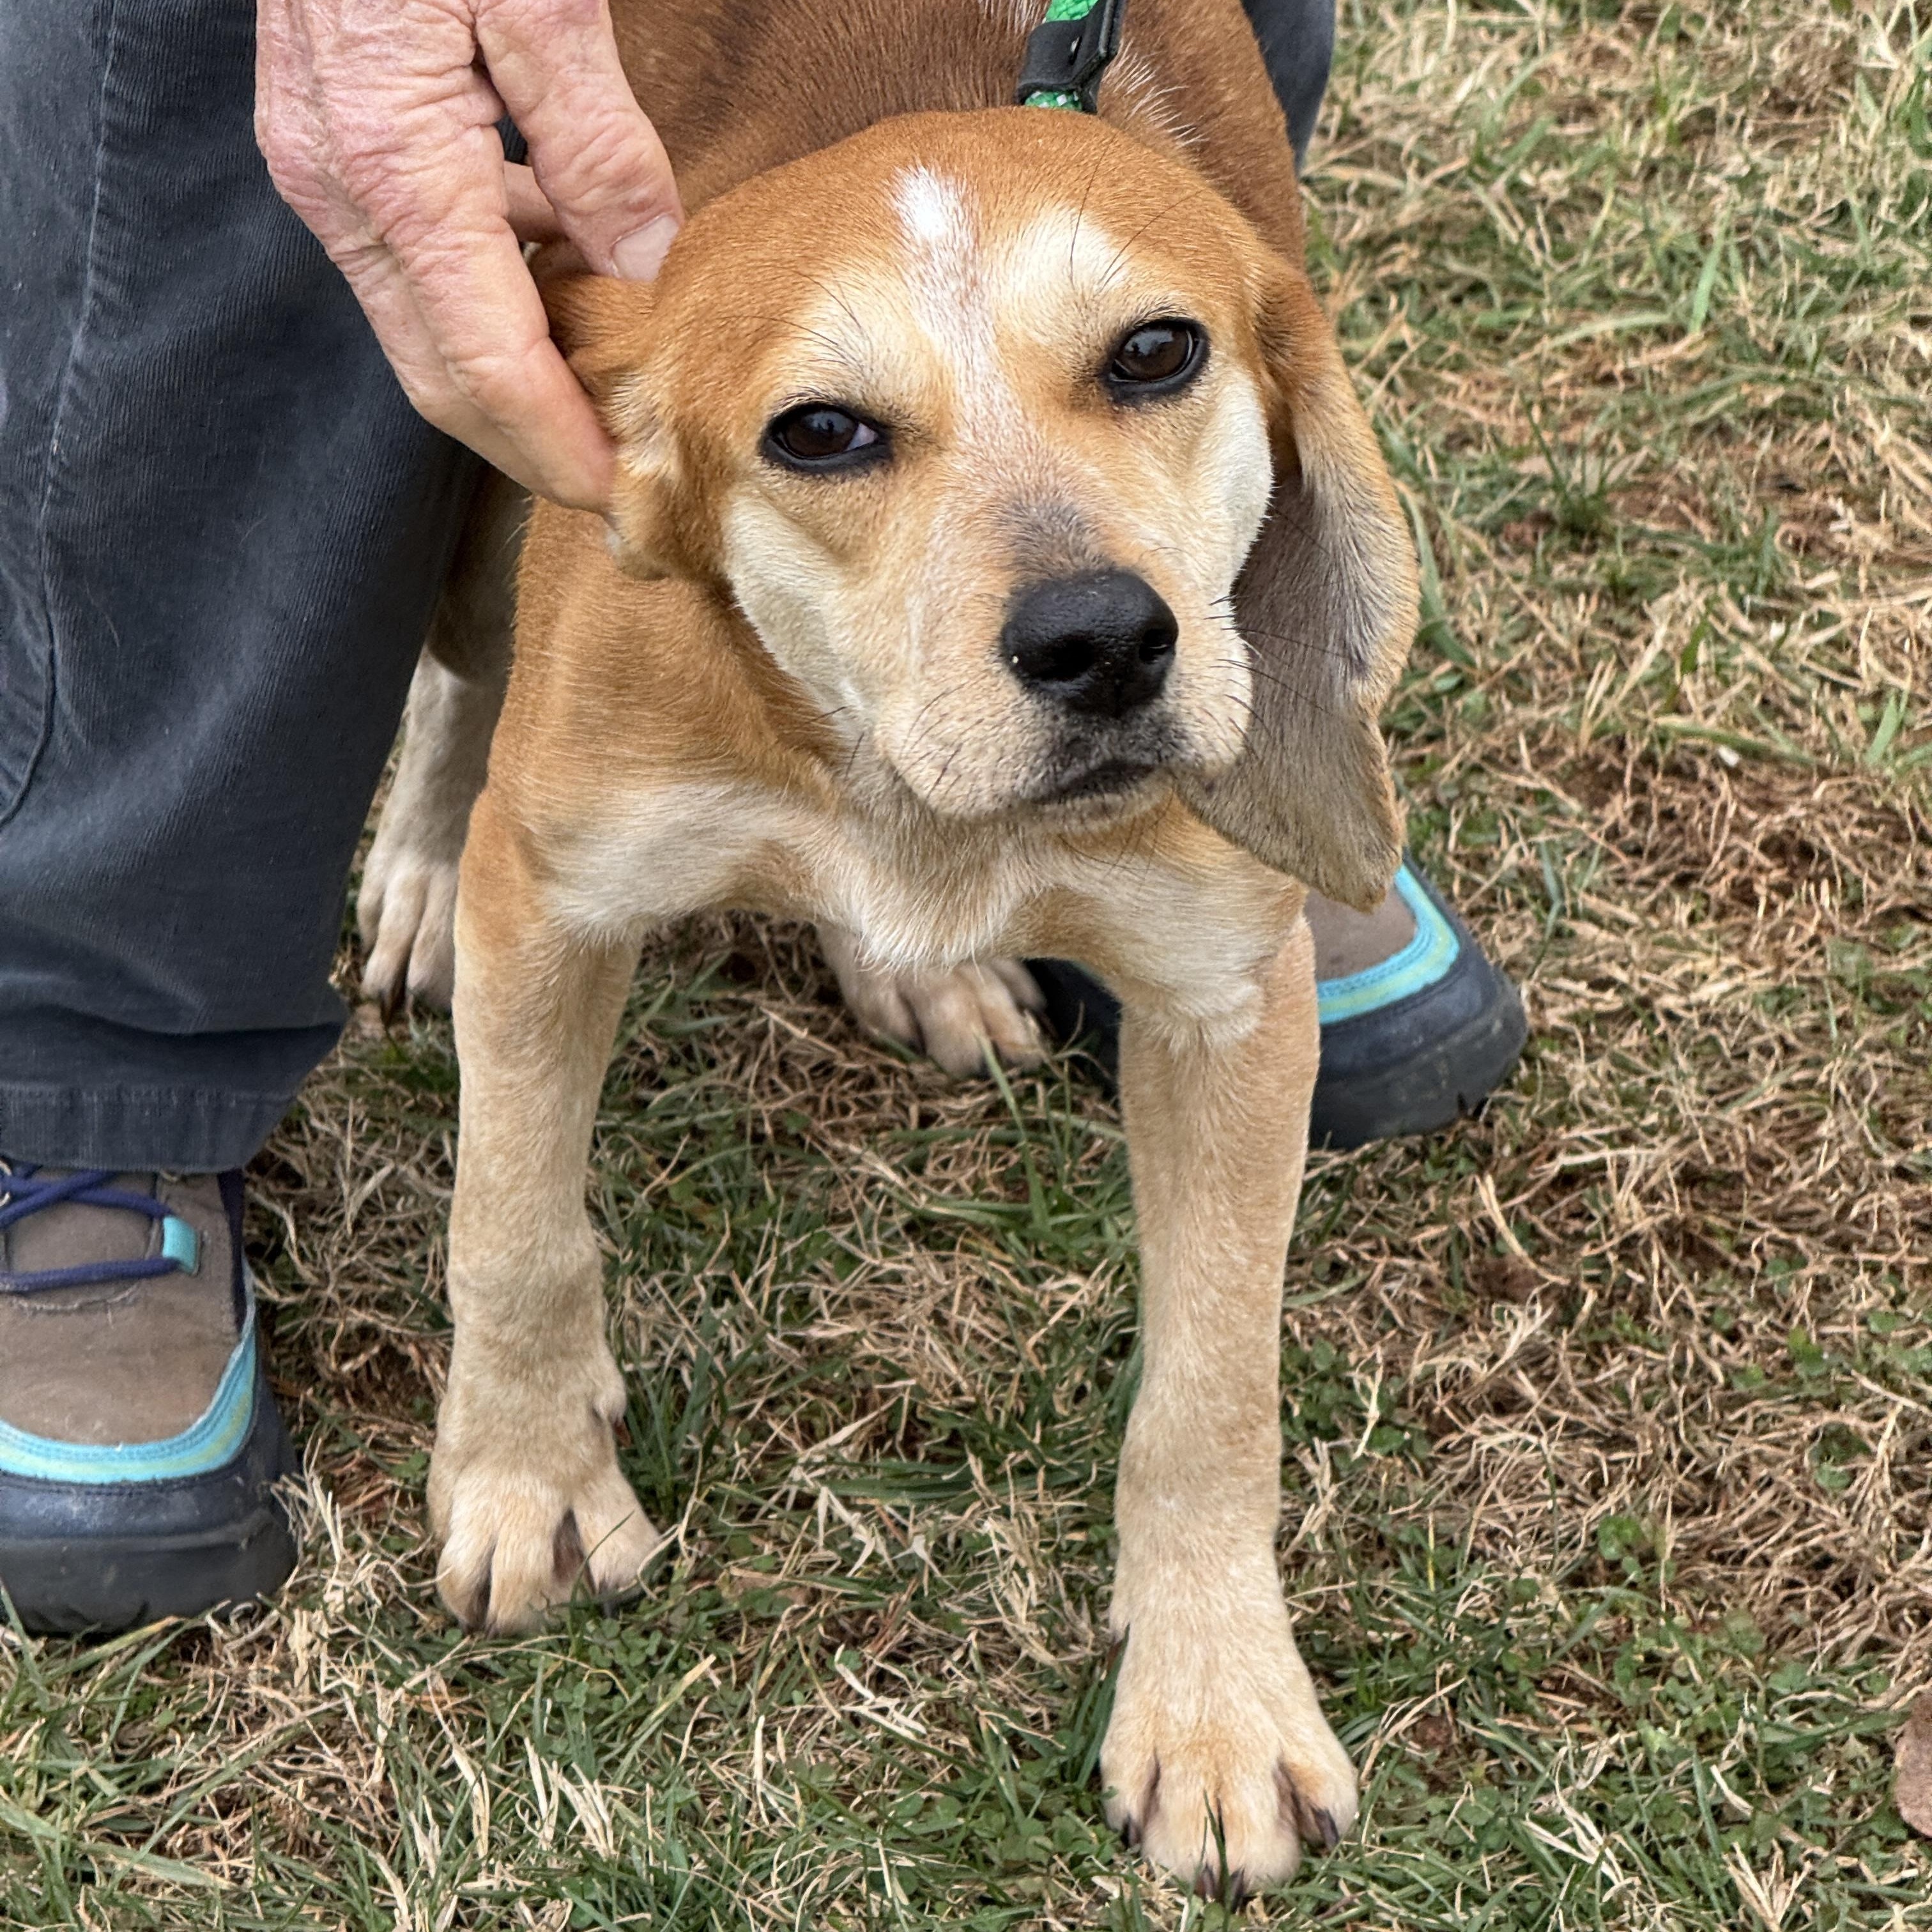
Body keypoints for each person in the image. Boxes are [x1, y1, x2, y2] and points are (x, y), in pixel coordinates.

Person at [0, 0, 1522, 1636]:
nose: (1079, 604)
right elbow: (554, 885)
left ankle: (1225, 772)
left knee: (1234, 942)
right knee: (260, 120)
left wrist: (1208, 1554)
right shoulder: (640, 513)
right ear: (635, 485)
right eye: (829, 430)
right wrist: (514, 1344)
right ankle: (104, 1050)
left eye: (1145, 360)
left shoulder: (1269, 377)